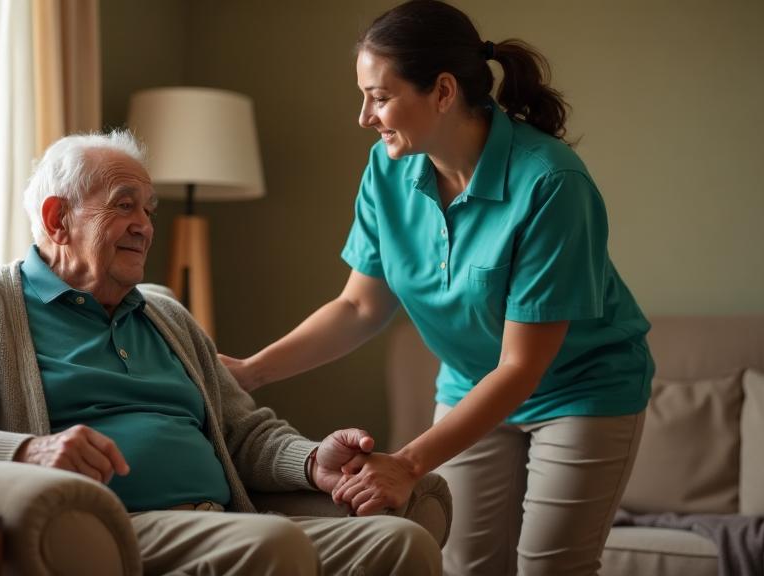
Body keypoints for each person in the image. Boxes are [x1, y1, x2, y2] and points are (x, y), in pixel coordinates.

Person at [0, 130, 442, 576]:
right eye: (123, 205)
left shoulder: (165, 314)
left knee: (400, 542)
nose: (144, 225)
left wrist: (312, 460)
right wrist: (28, 451)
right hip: (115, 525)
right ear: (58, 218)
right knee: (271, 543)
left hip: (224, 521)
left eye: (148, 209)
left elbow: (244, 433)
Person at [218, 1, 654, 574]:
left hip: (580, 391)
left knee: (551, 568)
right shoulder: (387, 169)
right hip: (470, 385)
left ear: (443, 91)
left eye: (379, 96)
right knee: (466, 566)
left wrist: (406, 463)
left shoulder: (551, 183)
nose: (364, 117)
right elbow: (359, 306)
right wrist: (251, 372)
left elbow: (521, 366)